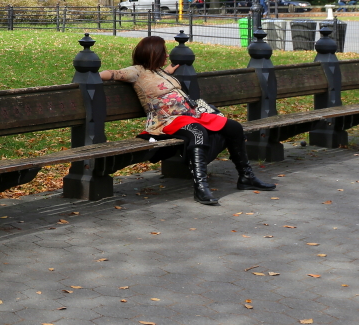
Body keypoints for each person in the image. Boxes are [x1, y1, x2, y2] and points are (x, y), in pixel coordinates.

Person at [100, 36, 276, 205]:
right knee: (197, 133)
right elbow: (112, 74)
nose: (167, 55)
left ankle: (246, 177)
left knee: (233, 127)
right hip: (167, 120)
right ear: (153, 53)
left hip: (191, 116)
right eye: (163, 52)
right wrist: (97, 75)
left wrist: (168, 71)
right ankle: (201, 187)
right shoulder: (136, 71)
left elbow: (160, 80)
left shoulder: (159, 71)